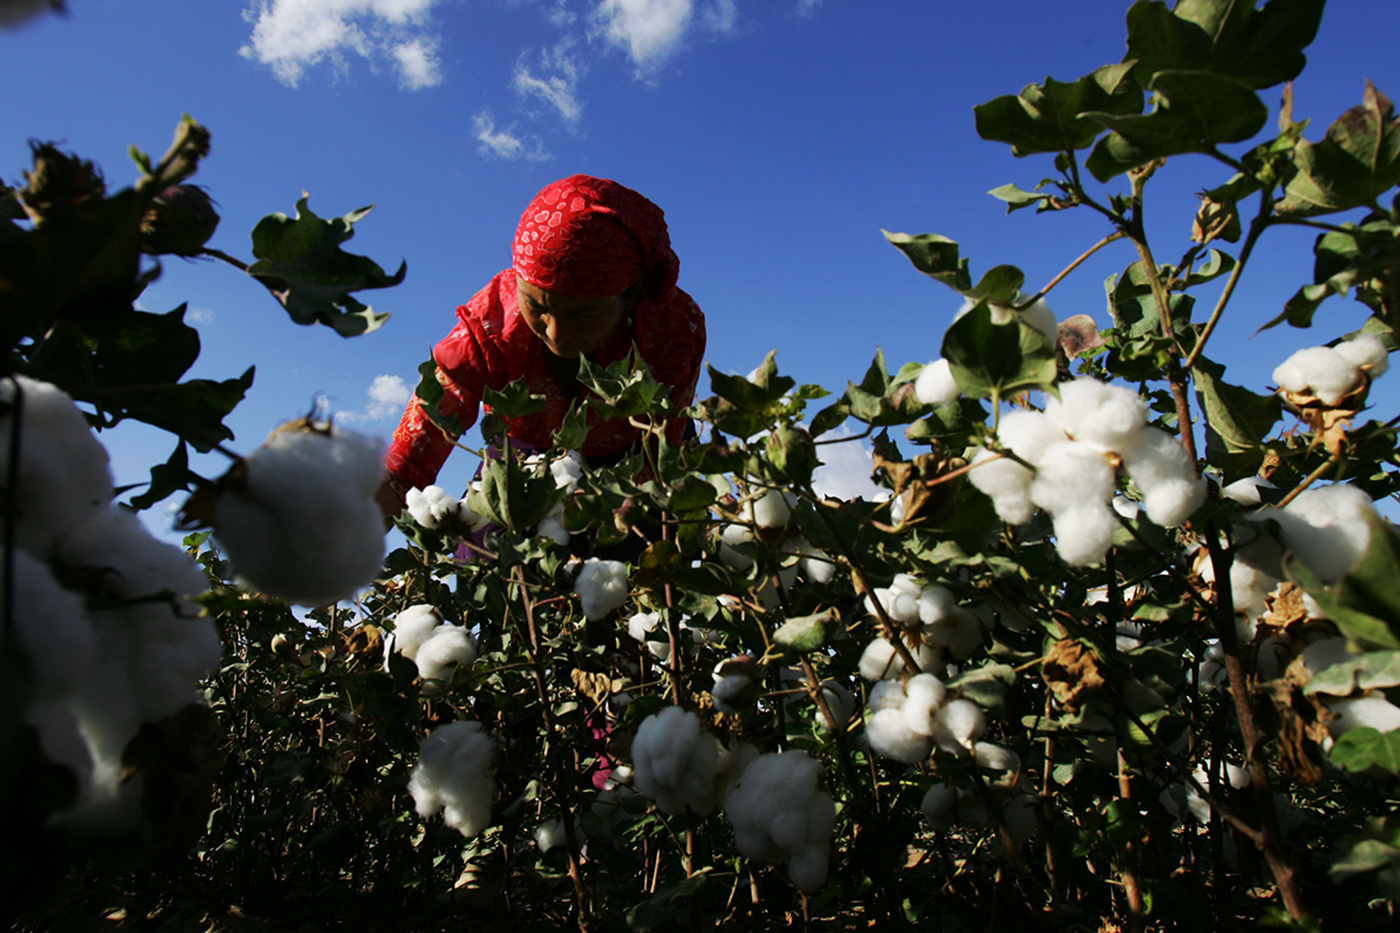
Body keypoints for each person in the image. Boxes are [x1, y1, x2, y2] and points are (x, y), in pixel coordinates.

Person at [378, 174, 707, 519]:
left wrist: (606, 515)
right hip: (519, 460)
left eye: (583, 313)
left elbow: (662, 453)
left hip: (631, 461)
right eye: (536, 307)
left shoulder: (674, 331)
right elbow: (408, 458)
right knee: (488, 555)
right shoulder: (491, 321)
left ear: (629, 298)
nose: (556, 333)